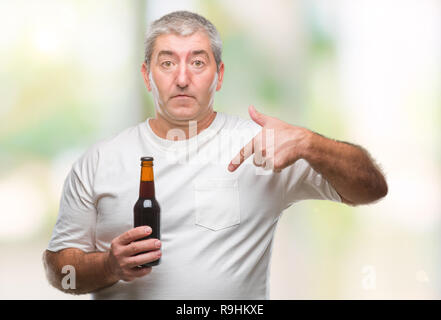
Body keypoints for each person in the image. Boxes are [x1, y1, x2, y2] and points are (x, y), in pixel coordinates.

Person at [43, 10, 388, 299]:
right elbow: (60, 269)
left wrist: (309, 143)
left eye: (197, 62)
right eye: (167, 63)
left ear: (219, 75)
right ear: (147, 76)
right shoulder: (100, 160)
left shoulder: (264, 147)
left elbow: (372, 188)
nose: (182, 78)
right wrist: (107, 266)